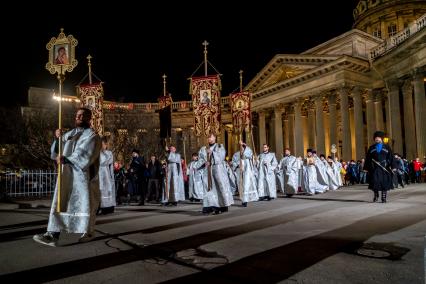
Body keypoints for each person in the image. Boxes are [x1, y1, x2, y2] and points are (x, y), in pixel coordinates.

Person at [33, 108, 101, 247]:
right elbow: (57, 152)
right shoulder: (69, 133)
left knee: (84, 204)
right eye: (77, 115)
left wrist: (68, 159)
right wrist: (58, 139)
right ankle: (52, 234)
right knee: (60, 203)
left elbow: (85, 154)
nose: (79, 117)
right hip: (66, 175)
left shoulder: (93, 135)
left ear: (89, 119)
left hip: (82, 178)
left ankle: (88, 232)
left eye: (82, 115)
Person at [194, 133, 234, 214]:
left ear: (215, 138)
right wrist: (199, 165)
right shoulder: (203, 148)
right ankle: (208, 206)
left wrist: (212, 153)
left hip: (218, 171)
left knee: (219, 188)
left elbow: (221, 157)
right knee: (208, 188)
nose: (209, 139)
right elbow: (201, 159)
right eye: (208, 137)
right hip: (207, 172)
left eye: (211, 137)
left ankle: (222, 205)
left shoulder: (219, 146)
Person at [365, 131, 394, 203]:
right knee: (375, 182)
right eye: (375, 138)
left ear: (381, 138)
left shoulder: (387, 147)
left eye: (378, 138)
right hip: (375, 168)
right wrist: (366, 167)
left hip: (384, 167)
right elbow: (368, 158)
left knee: (384, 182)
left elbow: (391, 157)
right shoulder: (371, 148)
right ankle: (376, 194)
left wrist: (393, 166)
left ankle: (383, 197)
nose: (376, 139)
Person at [231, 140, 258, 207]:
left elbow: (250, 153)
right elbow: (233, 162)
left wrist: (244, 145)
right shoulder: (236, 154)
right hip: (239, 172)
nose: (242, 148)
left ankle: (245, 201)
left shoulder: (247, 154)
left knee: (246, 186)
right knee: (241, 186)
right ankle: (243, 199)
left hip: (246, 172)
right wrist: (238, 164)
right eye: (241, 147)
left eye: (243, 147)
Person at [98, 136, 116, 214]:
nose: (102, 146)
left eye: (103, 144)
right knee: (99, 191)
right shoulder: (98, 153)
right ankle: (99, 206)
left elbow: (104, 162)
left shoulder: (108, 153)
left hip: (106, 175)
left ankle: (108, 207)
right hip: (98, 174)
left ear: (106, 145)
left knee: (106, 191)